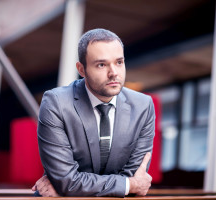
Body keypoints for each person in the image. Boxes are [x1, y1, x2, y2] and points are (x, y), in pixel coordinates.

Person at [32, 28, 155, 197]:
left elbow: (135, 175)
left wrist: (69, 187)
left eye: (119, 62)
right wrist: (128, 185)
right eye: (101, 65)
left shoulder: (143, 106)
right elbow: (67, 181)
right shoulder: (56, 103)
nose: (114, 73)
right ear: (81, 69)